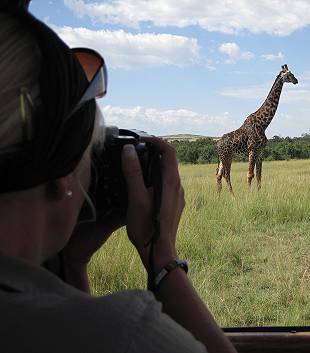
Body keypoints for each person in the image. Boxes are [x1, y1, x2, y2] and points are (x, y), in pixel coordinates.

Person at [0, 2, 237, 353]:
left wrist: (74, 263)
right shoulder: (126, 332)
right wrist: (162, 259)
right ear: (63, 174)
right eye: (89, 151)